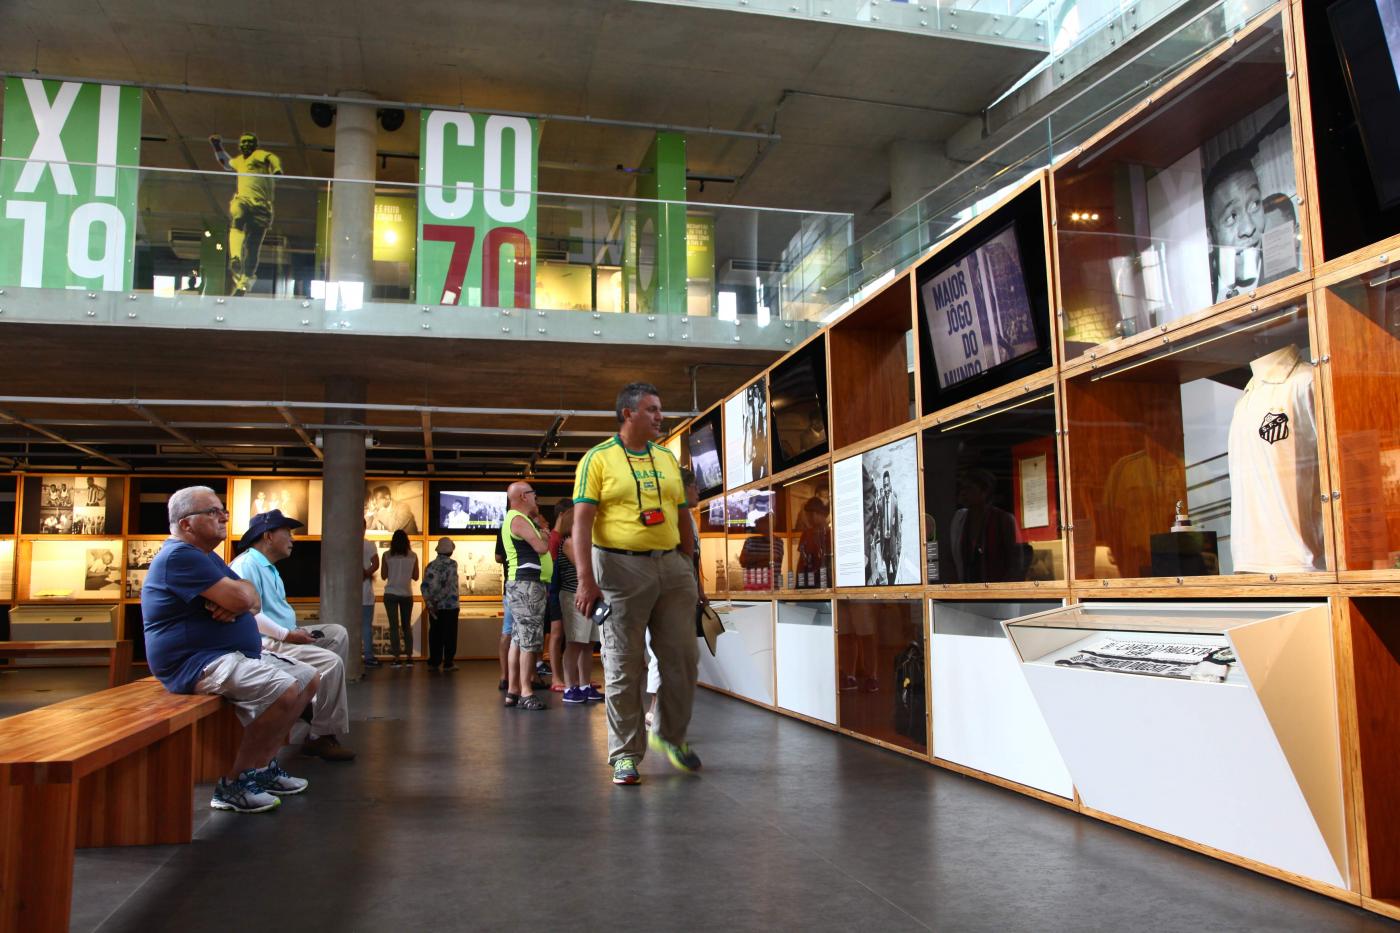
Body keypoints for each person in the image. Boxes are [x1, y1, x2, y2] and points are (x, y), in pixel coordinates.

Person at [142, 486, 315, 813]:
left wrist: (240, 599)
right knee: (285, 690)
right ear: (187, 523)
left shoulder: (203, 557)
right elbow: (241, 598)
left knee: (307, 678)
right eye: (213, 512)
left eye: (222, 510)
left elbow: (251, 596)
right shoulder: (179, 556)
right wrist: (238, 600)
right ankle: (235, 784)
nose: (223, 517)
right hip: (194, 662)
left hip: (223, 656)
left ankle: (261, 769)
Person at [573, 382, 700, 785]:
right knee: (625, 664)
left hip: (672, 568)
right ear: (627, 414)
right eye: (652, 409)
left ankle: (670, 736)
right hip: (620, 569)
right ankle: (625, 754)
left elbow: (681, 513)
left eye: (660, 409)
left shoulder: (666, 459)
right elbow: (581, 522)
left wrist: (688, 563)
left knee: (683, 659)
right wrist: (585, 581)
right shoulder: (597, 460)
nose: (660, 416)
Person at [230, 509, 356, 762]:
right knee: (331, 662)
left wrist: (293, 632)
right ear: (268, 536)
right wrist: (288, 634)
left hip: (284, 636)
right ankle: (321, 735)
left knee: (336, 634)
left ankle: (312, 705)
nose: (293, 539)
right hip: (267, 644)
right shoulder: (246, 565)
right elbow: (248, 614)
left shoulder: (270, 568)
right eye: (287, 533)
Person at [501, 482, 553, 711]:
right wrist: (543, 533)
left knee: (519, 639)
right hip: (527, 585)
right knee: (530, 640)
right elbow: (541, 548)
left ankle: (513, 691)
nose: (536, 498)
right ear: (523, 496)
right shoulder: (519, 519)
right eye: (534, 493)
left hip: (523, 585)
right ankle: (526, 691)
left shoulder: (516, 518)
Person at [209, 132, 281, 296]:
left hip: (262, 206)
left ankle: (245, 280)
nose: (246, 145)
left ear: (255, 145)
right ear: (240, 145)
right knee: (238, 217)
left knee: (253, 247)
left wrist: (277, 169)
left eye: (249, 142)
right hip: (244, 200)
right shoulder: (240, 160)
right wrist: (217, 145)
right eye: (244, 142)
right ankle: (235, 257)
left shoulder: (259, 155)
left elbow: (272, 158)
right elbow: (226, 162)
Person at [556, 505, 603, 704]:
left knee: (588, 643)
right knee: (575, 642)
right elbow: (585, 567)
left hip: (590, 596)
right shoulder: (569, 542)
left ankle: (584, 685)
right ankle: (570, 687)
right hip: (573, 596)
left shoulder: (583, 542)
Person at [380, 530, 419, 667]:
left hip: (390, 593)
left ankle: (396, 658)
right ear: (407, 541)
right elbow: (416, 576)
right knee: (407, 626)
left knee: (394, 627)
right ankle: (409, 657)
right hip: (407, 594)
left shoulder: (386, 555)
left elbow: (383, 576)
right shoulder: (413, 556)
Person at [422, 537, 460, 672]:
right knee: (449, 634)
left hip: (434, 607)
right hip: (450, 606)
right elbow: (448, 586)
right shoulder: (452, 565)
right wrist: (438, 600)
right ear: (450, 551)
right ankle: (448, 662)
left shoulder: (430, 565)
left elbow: (424, 586)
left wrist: (430, 602)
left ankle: (434, 661)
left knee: (435, 634)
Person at [867, 470, 902, 585]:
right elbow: (878, 522)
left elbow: (897, 525)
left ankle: (896, 583)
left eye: (887, 485)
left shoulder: (895, 502)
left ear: (890, 485)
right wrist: (874, 538)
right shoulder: (881, 503)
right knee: (887, 564)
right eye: (884, 486)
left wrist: (899, 542)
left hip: (892, 540)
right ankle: (890, 586)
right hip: (884, 541)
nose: (886, 489)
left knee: (895, 564)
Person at [361, 519, 381, 668]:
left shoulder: (346, 543)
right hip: (365, 593)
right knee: (367, 626)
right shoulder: (368, 544)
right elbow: (376, 563)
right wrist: (366, 573)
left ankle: (350, 655)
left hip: (349, 595)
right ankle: (368, 656)